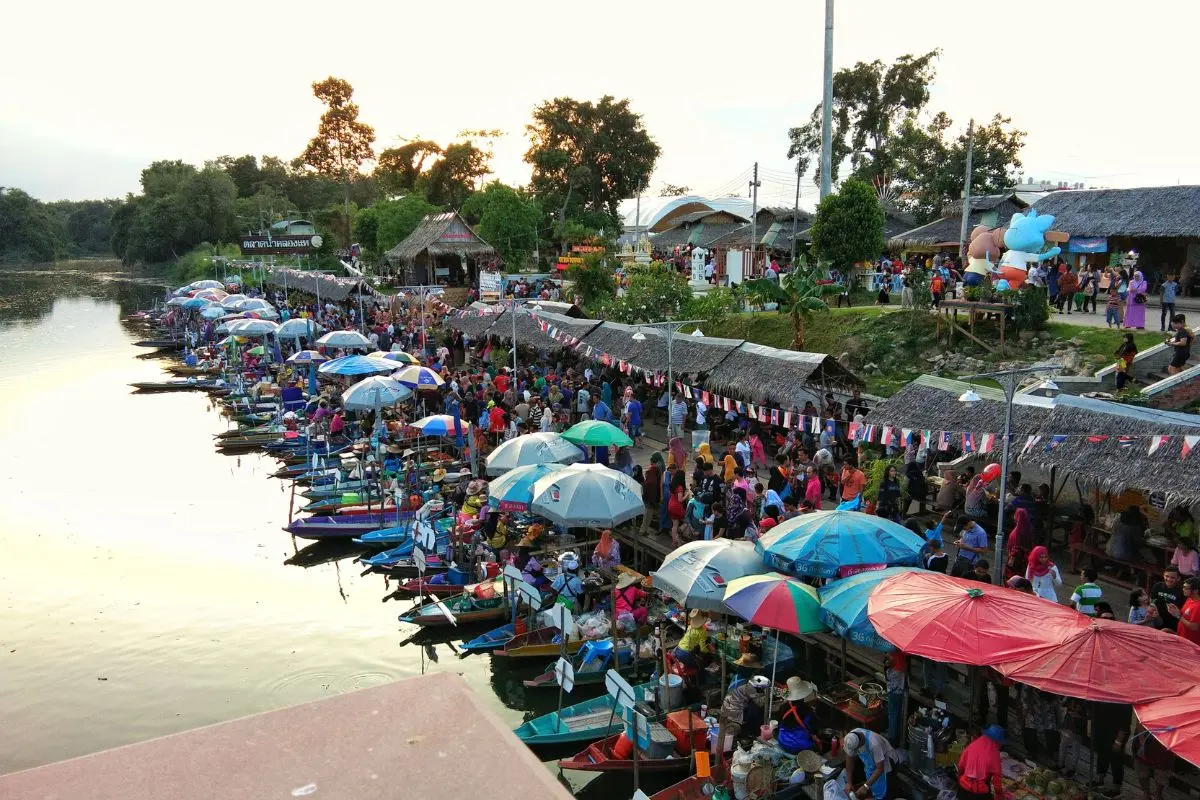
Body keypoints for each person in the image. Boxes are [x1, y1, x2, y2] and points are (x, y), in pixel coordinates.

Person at [842, 727, 896, 800]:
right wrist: (849, 782)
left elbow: (880, 768)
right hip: (871, 765)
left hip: (887, 762)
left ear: (861, 742)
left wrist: (865, 786)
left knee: (884, 792)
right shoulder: (850, 739)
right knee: (872, 784)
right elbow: (849, 760)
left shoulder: (874, 744)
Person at [955, 725, 1007, 800]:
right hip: (979, 792)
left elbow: (961, 765)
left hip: (963, 786)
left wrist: (960, 778)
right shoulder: (994, 755)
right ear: (997, 741)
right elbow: (997, 780)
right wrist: (999, 794)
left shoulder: (972, 745)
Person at [1091, 701, 1132, 789]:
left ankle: (1116, 787)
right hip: (1102, 731)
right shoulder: (1101, 696)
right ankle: (1100, 779)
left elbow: (1125, 723)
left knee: (1116, 759)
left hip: (1116, 734)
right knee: (1102, 755)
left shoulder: (1123, 701)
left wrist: (1119, 741)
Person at [777, 678, 820, 755]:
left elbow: (780, 721)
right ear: (803, 694)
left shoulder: (783, 707)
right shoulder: (807, 711)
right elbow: (813, 729)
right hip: (799, 747)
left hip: (782, 741)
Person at [1133, 722, 1174, 800]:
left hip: (1165, 740)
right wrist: (1142, 741)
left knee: (1163, 771)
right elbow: (1140, 719)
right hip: (1144, 737)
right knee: (1141, 769)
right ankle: (1146, 793)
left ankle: (1158, 794)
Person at [1151, 566, 1186, 632]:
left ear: (1178, 578)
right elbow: (1152, 600)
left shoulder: (1182, 591)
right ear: (1163, 575)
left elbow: (1183, 610)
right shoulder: (1157, 586)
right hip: (1156, 621)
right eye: (1166, 576)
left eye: (1172, 577)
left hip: (1172, 625)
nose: (1169, 579)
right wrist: (1153, 609)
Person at [1005, 508, 1035, 580]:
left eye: (1016, 515)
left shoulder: (1018, 530)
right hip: (1024, 559)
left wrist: (1012, 557)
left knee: (1012, 579)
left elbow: (1016, 545)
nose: (1014, 516)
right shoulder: (1029, 528)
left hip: (1016, 560)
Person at [1171, 576, 1200, 644]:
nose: (1183, 589)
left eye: (1186, 588)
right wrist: (1176, 611)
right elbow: (1185, 615)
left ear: (1195, 591)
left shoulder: (1198, 606)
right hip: (1182, 638)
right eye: (1183, 587)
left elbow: (1194, 627)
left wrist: (1178, 616)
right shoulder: (1190, 598)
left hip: (1190, 643)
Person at [641, 453, 663, 535]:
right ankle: (643, 531)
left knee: (646, 516)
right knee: (648, 517)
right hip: (650, 502)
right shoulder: (653, 482)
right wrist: (655, 502)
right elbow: (653, 493)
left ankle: (643, 530)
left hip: (646, 500)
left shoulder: (648, 479)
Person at [667, 470, 689, 547]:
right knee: (687, 520)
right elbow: (680, 500)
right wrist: (687, 494)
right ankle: (679, 536)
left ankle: (674, 541)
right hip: (676, 506)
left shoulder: (672, 484)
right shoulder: (679, 487)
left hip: (670, 504)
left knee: (674, 525)